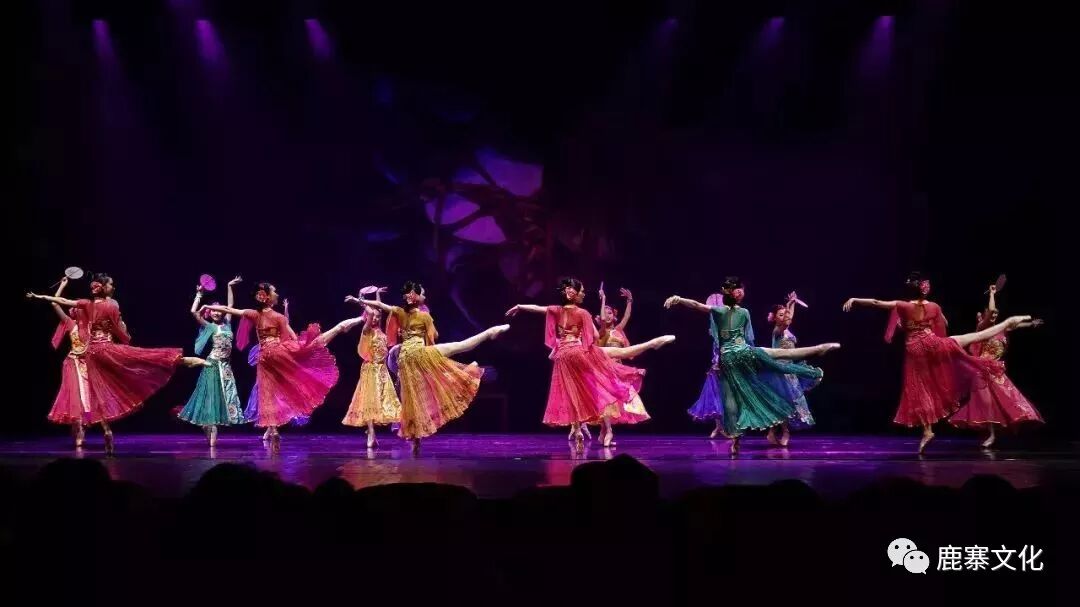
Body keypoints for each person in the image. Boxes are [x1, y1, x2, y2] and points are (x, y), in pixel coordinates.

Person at [842, 272, 1037, 452]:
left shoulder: (903, 305)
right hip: (932, 343)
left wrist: (855, 300)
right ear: (924, 289)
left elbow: (876, 302)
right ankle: (1007, 323)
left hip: (915, 350)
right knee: (972, 337)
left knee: (919, 390)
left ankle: (928, 431)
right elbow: (944, 323)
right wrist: (931, 325)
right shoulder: (934, 306)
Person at [28, 272, 207, 453]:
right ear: (104, 287)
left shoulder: (87, 305)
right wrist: (123, 330)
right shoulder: (110, 305)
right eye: (110, 284)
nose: (113, 287)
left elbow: (62, 301)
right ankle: (181, 360)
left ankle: (107, 430)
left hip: (91, 354)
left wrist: (39, 296)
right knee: (141, 358)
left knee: (99, 392)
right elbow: (120, 331)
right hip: (105, 349)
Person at [666, 277, 838, 454]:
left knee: (732, 400)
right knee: (779, 356)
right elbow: (747, 338)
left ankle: (736, 440)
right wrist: (754, 359)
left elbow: (697, 305)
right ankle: (818, 349)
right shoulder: (741, 312)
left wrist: (679, 299)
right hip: (742, 353)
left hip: (730, 358)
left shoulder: (721, 311)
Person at [507, 277, 672, 447]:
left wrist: (520, 306)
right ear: (573, 294)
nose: (584, 294)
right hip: (577, 352)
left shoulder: (556, 310)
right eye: (582, 291)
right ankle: (652, 343)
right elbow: (594, 336)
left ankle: (577, 429)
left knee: (573, 392)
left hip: (562, 357)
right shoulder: (583, 313)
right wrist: (590, 332)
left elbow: (538, 308)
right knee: (621, 353)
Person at [351, 281, 509, 451]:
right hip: (417, 354)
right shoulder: (423, 316)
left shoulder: (400, 312)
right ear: (415, 297)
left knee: (413, 398)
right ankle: (490, 332)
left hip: (405, 358)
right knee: (460, 346)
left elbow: (381, 306)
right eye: (423, 294)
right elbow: (433, 336)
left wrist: (361, 300)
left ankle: (415, 439)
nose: (425, 296)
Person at [201, 282, 360, 442]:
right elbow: (289, 339)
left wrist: (207, 305)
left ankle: (273, 429)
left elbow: (228, 309)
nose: (277, 293)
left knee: (267, 392)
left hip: (264, 357)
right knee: (310, 350)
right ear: (267, 297)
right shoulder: (279, 317)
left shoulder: (255, 314)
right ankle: (339, 328)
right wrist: (301, 347)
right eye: (274, 291)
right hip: (278, 352)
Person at [948, 283, 1044, 447]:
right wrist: (992, 293)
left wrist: (1031, 323)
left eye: (997, 314)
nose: (994, 315)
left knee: (1010, 398)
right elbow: (992, 310)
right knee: (987, 403)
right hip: (982, 371)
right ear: (984, 314)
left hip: (997, 370)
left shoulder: (1002, 329)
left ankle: (1008, 428)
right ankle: (991, 434)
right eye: (991, 313)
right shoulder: (983, 327)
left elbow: (1015, 325)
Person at [177, 276, 247, 446]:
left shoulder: (227, 324)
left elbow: (230, 305)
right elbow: (193, 312)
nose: (216, 313)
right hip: (212, 365)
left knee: (226, 398)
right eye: (213, 310)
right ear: (210, 313)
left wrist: (229, 286)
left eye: (219, 310)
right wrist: (199, 295)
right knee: (212, 400)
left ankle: (209, 430)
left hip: (226, 367)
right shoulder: (209, 326)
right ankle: (211, 436)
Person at [341, 288, 402, 448]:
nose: (376, 318)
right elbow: (370, 312)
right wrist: (358, 300)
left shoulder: (379, 330)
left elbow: (378, 309)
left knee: (386, 401)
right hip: (371, 369)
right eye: (373, 316)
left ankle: (382, 430)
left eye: (378, 316)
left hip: (382, 370)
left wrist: (378, 295)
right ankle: (371, 433)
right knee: (370, 400)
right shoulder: (367, 330)